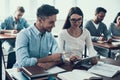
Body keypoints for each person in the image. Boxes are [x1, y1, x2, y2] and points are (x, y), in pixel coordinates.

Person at [13, 4, 63, 69]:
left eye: (54, 22)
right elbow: (23, 62)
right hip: (21, 71)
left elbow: (60, 57)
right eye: (51, 22)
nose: (54, 26)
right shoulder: (23, 35)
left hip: (41, 71)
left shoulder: (49, 35)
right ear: (40, 20)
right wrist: (50, 58)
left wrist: (49, 64)